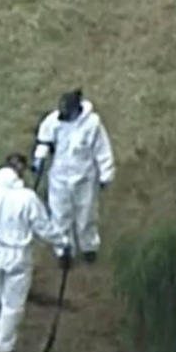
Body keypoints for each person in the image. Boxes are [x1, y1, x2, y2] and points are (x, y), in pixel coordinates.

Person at [0, 153, 69, 352]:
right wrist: (63, 243)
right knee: (12, 303)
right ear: (20, 171)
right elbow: (44, 227)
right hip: (17, 255)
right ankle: (4, 347)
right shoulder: (27, 198)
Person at [32, 89, 115, 264]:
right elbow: (44, 140)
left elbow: (102, 149)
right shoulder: (53, 121)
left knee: (86, 213)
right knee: (60, 215)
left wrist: (106, 173)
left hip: (84, 177)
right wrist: (40, 158)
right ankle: (64, 249)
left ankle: (89, 246)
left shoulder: (92, 124)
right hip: (59, 177)